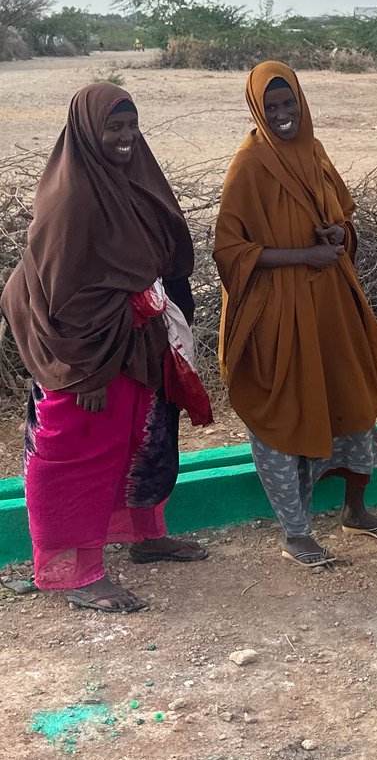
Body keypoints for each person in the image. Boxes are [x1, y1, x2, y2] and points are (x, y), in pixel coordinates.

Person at [1, 83, 211, 613]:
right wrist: (87, 372)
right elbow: (61, 295)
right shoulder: (72, 199)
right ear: (87, 132)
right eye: (113, 127)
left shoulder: (135, 177)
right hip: (84, 353)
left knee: (140, 437)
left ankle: (145, 536)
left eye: (131, 125)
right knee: (77, 454)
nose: (125, 137)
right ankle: (74, 571)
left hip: (133, 343)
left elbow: (167, 252)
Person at [215, 61, 377, 568]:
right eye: (271, 107)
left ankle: (356, 511)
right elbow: (229, 251)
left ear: (301, 101)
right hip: (276, 312)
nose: (282, 115)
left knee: (351, 401)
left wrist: (338, 236)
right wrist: (301, 256)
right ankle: (295, 532)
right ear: (257, 108)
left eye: (288, 103)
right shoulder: (250, 165)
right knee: (284, 413)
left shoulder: (313, 150)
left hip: (328, 306)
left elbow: (340, 212)